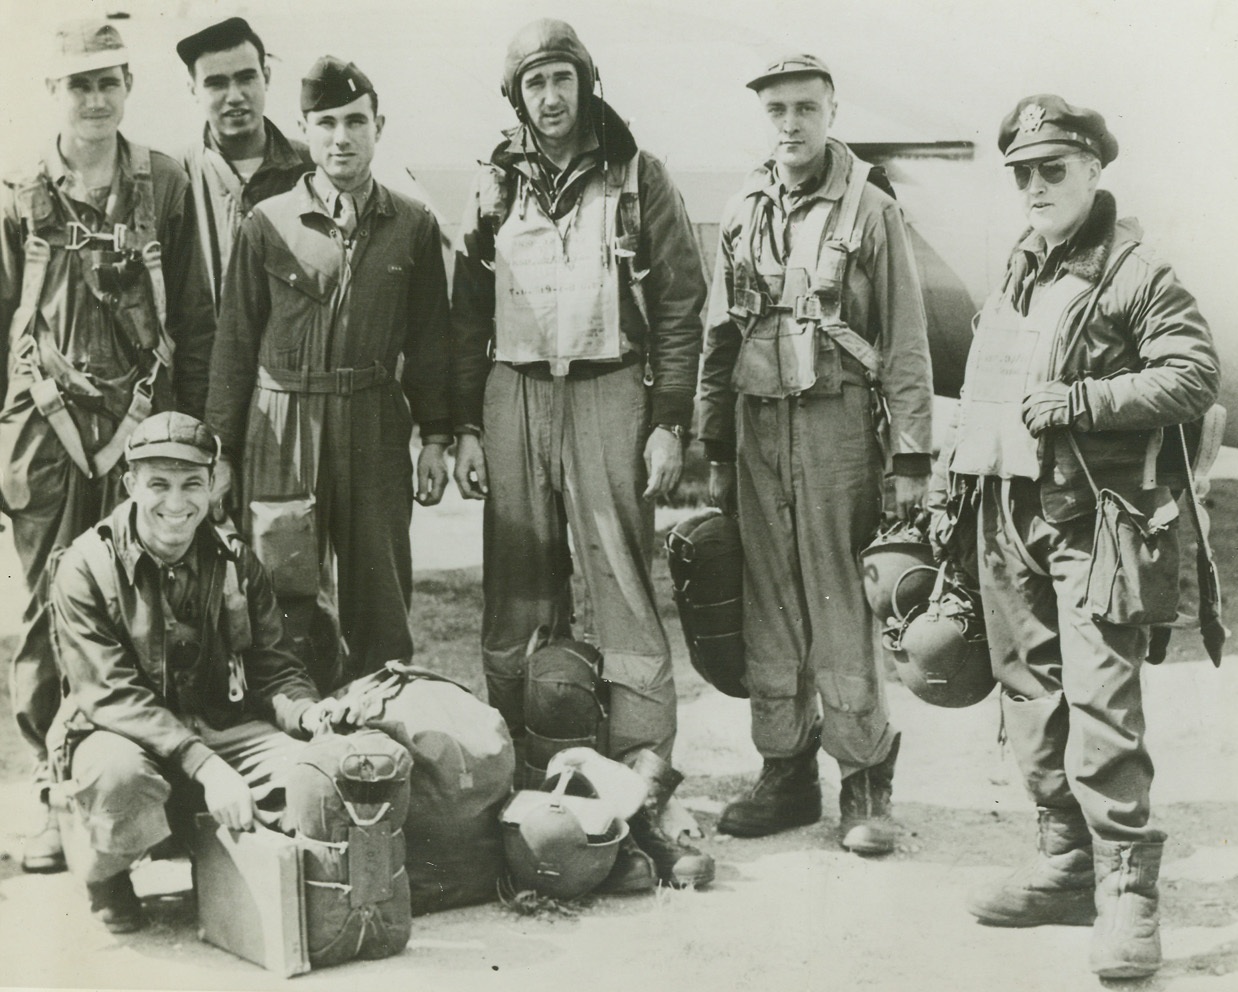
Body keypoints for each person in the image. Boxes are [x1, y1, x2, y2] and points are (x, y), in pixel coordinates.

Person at [932, 96, 1218, 980]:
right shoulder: (1022, 264)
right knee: (1029, 693)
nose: (1035, 186)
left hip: (1096, 521)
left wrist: (1086, 402)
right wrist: (954, 483)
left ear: (1094, 170)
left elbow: (1195, 373)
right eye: (1022, 172)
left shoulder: (1135, 269)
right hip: (1008, 510)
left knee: (1101, 703)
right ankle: (1064, 862)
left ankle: (1128, 891)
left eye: (1052, 168)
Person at [450, 19, 712, 888]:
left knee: (621, 581)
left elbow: (679, 303)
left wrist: (670, 415)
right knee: (517, 586)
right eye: (535, 84)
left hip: (609, 387)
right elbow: (461, 312)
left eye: (563, 79)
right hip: (515, 390)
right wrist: (464, 424)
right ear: (516, 96)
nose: (551, 98)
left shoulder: (638, 176)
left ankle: (643, 772)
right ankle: (522, 769)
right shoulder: (492, 186)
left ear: (586, 82)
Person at [698, 54, 934, 856]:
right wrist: (713, 446)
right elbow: (718, 337)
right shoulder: (741, 210)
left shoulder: (871, 211)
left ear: (832, 110)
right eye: (777, 111)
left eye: (805, 108)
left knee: (838, 606)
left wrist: (910, 457)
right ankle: (785, 770)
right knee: (770, 606)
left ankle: (865, 779)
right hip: (757, 428)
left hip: (837, 429)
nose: (791, 124)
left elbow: (904, 341)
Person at [0, 19, 214, 875]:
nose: (95, 99)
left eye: (108, 82)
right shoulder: (19, 192)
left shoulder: (164, 181)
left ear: (128, 86)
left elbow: (194, 316)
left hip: (144, 432)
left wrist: (201, 442)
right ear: (53, 91)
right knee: (45, 613)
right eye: (78, 83)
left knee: (145, 608)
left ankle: (131, 792)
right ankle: (52, 797)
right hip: (45, 434)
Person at [205, 56, 451, 693]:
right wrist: (222, 453)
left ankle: (378, 745)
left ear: (378, 126)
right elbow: (233, 345)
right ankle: (293, 745)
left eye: (355, 121)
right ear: (304, 131)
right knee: (283, 596)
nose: (341, 137)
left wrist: (439, 439)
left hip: (372, 421)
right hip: (281, 427)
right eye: (326, 123)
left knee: (381, 595)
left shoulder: (414, 226)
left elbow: (430, 345)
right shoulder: (266, 225)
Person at [46, 411, 341, 934]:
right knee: (119, 779)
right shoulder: (85, 567)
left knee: (316, 775)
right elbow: (113, 695)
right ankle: (106, 875)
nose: (177, 505)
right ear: (130, 483)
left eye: (192, 484)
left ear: (213, 486)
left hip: (218, 728)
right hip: (118, 735)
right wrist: (206, 768)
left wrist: (308, 712)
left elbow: (272, 668)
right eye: (158, 484)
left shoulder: (236, 562)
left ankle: (215, 860)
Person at [177, 16, 313, 310]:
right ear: (193, 90)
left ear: (266, 76)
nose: (235, 96)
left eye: (246, 78)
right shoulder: (174, 176)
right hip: (206, 354)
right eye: (216, 84)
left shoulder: (313, 168)